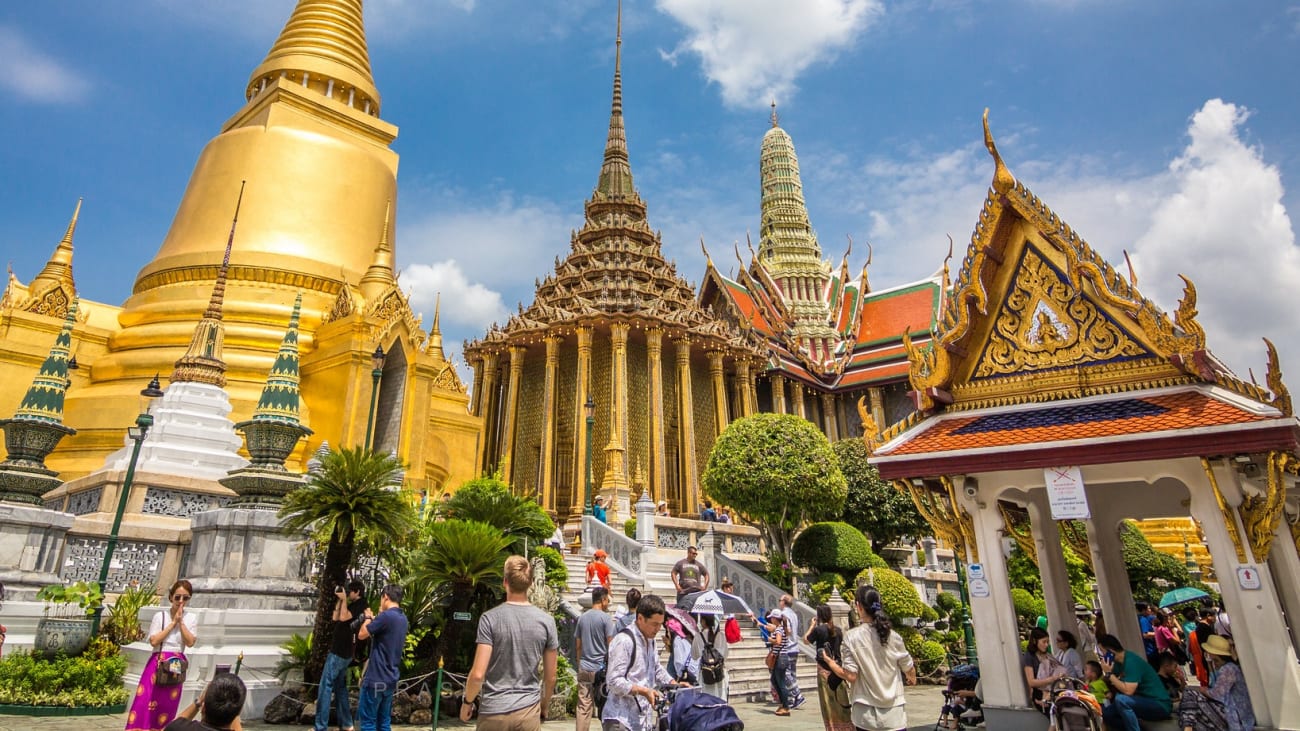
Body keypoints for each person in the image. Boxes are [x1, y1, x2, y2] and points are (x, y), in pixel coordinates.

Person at [462, 556, 558, 731]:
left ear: (505, 582)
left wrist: (467, 702)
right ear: (530, 584)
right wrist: (544, 706)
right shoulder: (546, 621)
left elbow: (477, 675)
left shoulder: (489, 619)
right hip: (528, 711)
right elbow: (551, 677)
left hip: (493, 711)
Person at [821, 585, 916, 731]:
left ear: (858, 606)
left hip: (866, 714)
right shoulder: (894, 637)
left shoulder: (852, 637)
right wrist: (911, 679)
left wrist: (830, 663)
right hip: (894, 713)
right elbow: (909, 668)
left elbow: (851, 675)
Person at [601, 594, 691, 731]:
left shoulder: (650, 639)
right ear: (640, 618)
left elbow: (656, 668)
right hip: (620, 719)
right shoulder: (624, 640)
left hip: (642, 719)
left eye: (660, 625)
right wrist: (643, 691)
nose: (657, 629)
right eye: (654, 624)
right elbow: (613, 681)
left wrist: (674, 684)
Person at [127, 579, 199, 731]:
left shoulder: (191, 618)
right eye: (177, 597)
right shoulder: (161, 616)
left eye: (185, 598)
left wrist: (181, 623)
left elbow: (190, 641)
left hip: (176, 662)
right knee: (146, 700)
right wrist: (172, 623)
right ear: (171, 597)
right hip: (158, 660)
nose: (181, 601)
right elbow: (154, 640)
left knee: (167, 703)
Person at [356, 584, 409, 731]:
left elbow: (362, 634)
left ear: (385, 596)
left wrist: (367, 618)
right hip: (390, 677)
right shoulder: (402, 618)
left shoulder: (386, 617)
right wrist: (378, 618)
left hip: (375, 678)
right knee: (384, 722)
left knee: (368, 722)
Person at [316, 579, 366, 731]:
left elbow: (344, 618)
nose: (348, 593)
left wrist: (344, 600)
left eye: (350, 591)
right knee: (340, 687)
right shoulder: (351, 604)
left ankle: (321, 726)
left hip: (341, 652)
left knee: (325, 686)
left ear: (357, 592)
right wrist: (340, 600)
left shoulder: (361, 605)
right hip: (340, 651)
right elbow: (336, 617)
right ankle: (346, 723)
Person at [1177, 634, 1254, 731]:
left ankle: (1187, 727)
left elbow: (1216, 695)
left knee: (1190, 694)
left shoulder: (1228, 669)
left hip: (1235, 717)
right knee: (1189, 708)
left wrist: (1202, 690)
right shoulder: (1226, 668)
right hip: (1233, 715)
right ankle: (1188, 726)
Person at [1097, 632, 1172, 731]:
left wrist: (1109, 674)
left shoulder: (1131, 662)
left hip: (1158, 703)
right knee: (1107, 714)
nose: (1102, 656)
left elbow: (1128, 691)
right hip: (1141, 701)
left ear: (1111, 651)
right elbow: (1108, 679)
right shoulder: (1117, 663)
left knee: (1121, 700)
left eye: (1103, 653)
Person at [805, 604, 850, 731]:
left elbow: (805, 640)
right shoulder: (838, 630)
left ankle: (832, 728)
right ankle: (846, 726)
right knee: (841, 700)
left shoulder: (819, 630)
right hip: (838, 669)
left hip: (824, 669)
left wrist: (812, 626)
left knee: (827, 703)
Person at [575, 587, 614, 731]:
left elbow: (578, 645)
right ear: (603, 600)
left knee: (583, 707)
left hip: (585, 666)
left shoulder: (582, 618)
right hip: (601, 670)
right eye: (607, 600)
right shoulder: (606, 619)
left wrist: (580, 663)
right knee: (605, 706)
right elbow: (611, 645)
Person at [163, 672, 246, 731]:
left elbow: (176, 723)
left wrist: (199, 702)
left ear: (203, 708)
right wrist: (234, 709)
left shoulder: (177, 728)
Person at [1021, 627, 1065, 712]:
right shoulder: (1029, 656)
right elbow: (1031, 682)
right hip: (1039, 693)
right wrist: (1052, 679)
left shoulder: (1047, 655)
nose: (1046, 645)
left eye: (1047, 642)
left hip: (1054, 689)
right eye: (1044, 642)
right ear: (1034, 641)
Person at [776, 594, 805, 710]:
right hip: (795, 647)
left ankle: (798, 695)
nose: (779, 602)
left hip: (787, 647)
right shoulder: (794, 614)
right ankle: (794, 697)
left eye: (780, 600)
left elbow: (787, 630)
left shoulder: (785, 615)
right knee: (792, 673)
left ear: (784, 602)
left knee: (786, 673)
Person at [691, 614, 729, 701]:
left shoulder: (698, 636)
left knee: (705, 700)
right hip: (719, 673)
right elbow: (725, 655)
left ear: (704, 621)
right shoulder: (721, 635)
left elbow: (694, 655)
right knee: (720, 699)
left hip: (705, 673)